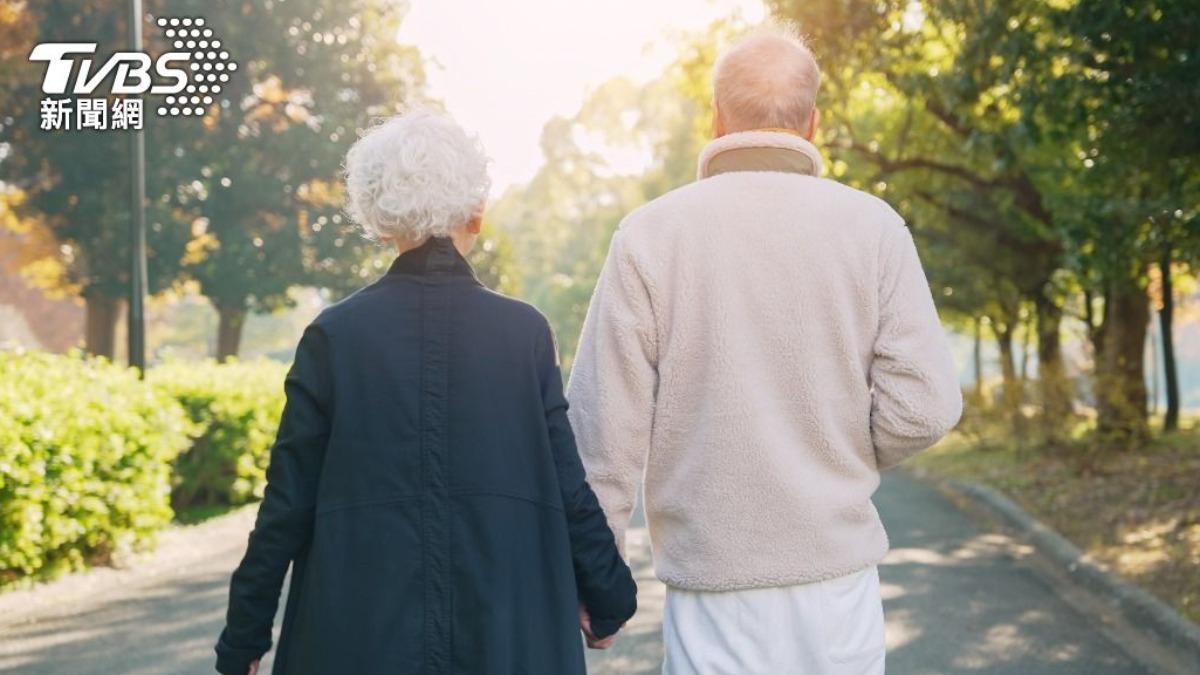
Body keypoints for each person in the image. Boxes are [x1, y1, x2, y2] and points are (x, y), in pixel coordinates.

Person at [567, 28, 962, 675]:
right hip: (837, 587)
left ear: (717, 117)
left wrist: (596, 580)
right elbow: (925, 405)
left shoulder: (650, 235)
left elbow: (604, 430)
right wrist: (839, 445)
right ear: (814, 123)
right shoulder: (873, 228)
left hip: (715, 593)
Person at [213, 110, 636, 675]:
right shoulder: (524, 334)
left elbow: (286, 505)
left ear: (379, 218)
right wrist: (607, 597)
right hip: (504, 641)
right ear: (477, 214)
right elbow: (567, 483)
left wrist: (244, 638)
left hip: (357, 640)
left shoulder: (333, 337)